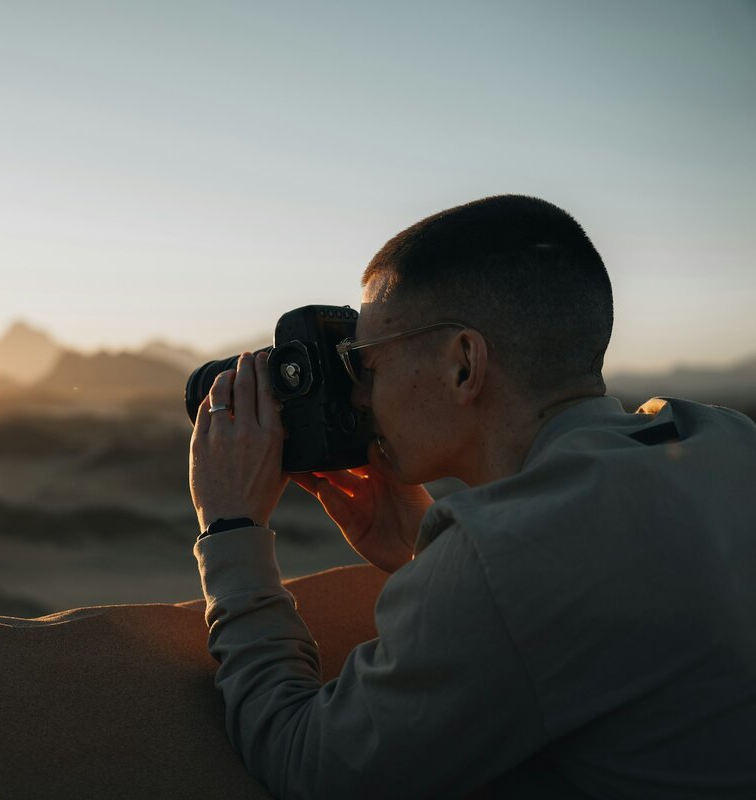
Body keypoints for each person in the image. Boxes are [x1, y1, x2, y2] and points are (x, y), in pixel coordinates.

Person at [188, 194, 756, 799]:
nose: (358, 397)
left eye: (367, 364)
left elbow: (308, 761)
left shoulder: (505, 562)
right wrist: (423, 547)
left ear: (463, 364)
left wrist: (231, 530)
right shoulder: (724, 438)